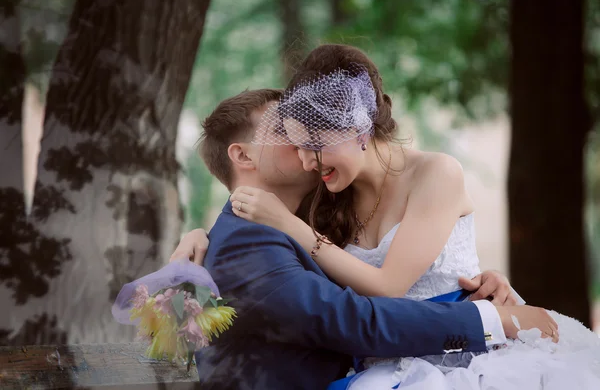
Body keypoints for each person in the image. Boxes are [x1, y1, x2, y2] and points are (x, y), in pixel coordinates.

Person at [190, 44, 599, 389]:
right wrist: (195, 242)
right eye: (290, 139)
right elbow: (348, 309)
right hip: (391, 358)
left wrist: (479, 285)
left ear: (356, 128)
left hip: (461, 353)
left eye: (309, 140)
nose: (304, 159)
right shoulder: (305, 210)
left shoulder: (408, 178)